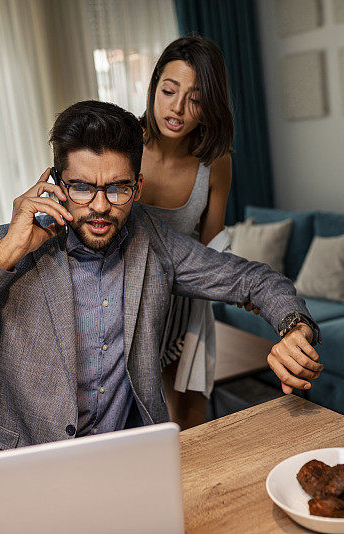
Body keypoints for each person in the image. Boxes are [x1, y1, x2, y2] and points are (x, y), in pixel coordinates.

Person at [0, 100, 321, 456]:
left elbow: (255, 280)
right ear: (55, 183)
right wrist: (7, 254)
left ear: (138, 187)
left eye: (118, 187)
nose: (101, 205)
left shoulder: (154, 243)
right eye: (83, 186)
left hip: (124, 468)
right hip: (13, 475)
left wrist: (293, 326)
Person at [139, 36, 237, 428]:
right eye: (169, 90)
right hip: (125, 301)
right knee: (133, 421)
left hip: (183, 303)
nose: (177, 108)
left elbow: (213, 244)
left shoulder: (215, 163)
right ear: (154, 89)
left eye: (194, 99)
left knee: (192, 420)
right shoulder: (123, 145)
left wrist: (244, 287)